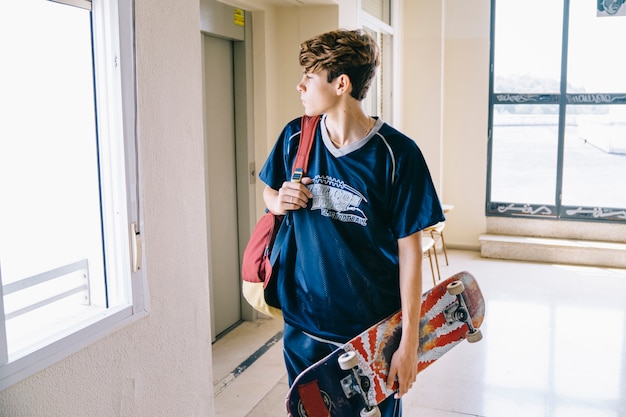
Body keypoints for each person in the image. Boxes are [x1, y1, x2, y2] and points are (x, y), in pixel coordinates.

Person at [259, 29, 445, 417]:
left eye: (309, 76)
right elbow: (268, 192)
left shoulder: (398, 155)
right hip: (304, 323)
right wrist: (278, 201)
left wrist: (409, 339)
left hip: (371, 331)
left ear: (341, 83)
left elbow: (410, 252)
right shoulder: (295, 137)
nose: (300, 85)